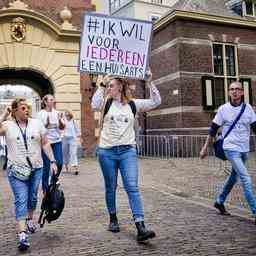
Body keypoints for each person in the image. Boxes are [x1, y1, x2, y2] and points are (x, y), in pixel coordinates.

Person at [91, 71, 161, 242]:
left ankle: (140, 226)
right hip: (107, 151)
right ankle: (113, 218)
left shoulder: (133, 104)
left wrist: (150, 81)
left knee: (132, 187)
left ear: (121, 86)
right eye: (108, 86)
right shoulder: (106, 103)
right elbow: (94, 104)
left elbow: (156, 101)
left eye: (112, 85)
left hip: (127, 151)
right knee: (111, 186)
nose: (109, 88)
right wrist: (102, 84)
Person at [0, 98, 57, 251]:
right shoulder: (7, 125)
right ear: (15, 111)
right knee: (21, 199)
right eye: (23, 108)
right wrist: (4, 114)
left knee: (32, 197)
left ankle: (30, 219)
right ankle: (22, 235)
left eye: (27, 108)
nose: (26, 110)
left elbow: (45, 143)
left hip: (36, 168)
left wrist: (52, 161)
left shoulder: (36, 123)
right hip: (16, 170)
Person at [200, 81, 256, 221]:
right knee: (246, 178)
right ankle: (255, 211)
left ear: (242, 92)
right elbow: (213, 129)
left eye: (237, 89)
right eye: (232, 89)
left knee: (234, 177)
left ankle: (219, 201)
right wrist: (205, 147)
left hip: (244, 149)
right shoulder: (223, 109)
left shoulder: (248, 108)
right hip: (230, 148)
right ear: (229, 92)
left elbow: (255, 127)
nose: (234, 91)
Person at [37, 94, 65, 193]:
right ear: (45, 102)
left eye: (54, 99)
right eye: (51, 99)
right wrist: (46, 124)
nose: (54, 101)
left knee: (60, 163)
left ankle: (54, 179)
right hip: (46, 143)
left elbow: (62, 128)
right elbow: (39, 129)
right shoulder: (40, 114)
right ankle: (45, 189)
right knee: (46, 166)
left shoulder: (57, 113)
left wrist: (60, 121)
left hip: (57, 141)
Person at [62, 110, 80, 175]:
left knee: (73, 153)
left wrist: (79, 137)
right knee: (65, 153)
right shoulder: (63, 121)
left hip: (72, 138)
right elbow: (60, 128)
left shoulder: (74, 121)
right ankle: (65, 166)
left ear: (70, 115)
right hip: (65, 138)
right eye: (66, 115)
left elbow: (77, 130)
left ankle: (75, 168)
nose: (67, 116)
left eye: (68, 115)